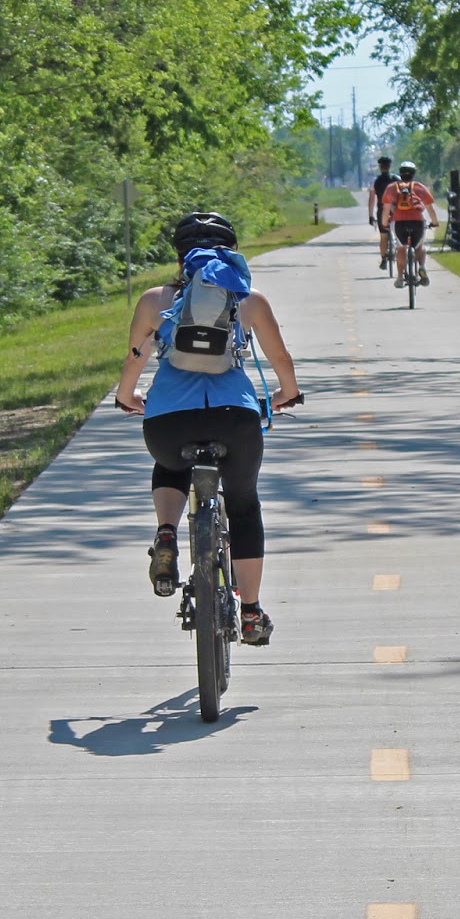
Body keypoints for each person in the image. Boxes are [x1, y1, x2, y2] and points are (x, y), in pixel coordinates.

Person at [114, 211, 301, 646]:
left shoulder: (154, 301)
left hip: (168, 420)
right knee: (243, 503)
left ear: (180, 256)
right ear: (231, 252)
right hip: (235, 419)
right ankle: (251, 613)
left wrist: (127, 397)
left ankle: (166, 532)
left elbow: (134, 359)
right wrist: (286, 394)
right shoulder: (249, 300)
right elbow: (280, 359)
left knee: (170, 464)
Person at [381, 160, 439, 288]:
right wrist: (434, 222)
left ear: (400, 173)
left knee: (401, 248)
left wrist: (384, 224)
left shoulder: (392, 188)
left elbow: (386, 209)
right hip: (417, 221)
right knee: (419, 246)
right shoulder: (419, 187)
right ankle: (421, 267)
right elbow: (430, 208)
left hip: (399, 222)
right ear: (414, 174)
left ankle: (400, 278)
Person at [367, 155, 396, 270]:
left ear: (380, 167)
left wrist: (370, 215)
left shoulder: (375, 181)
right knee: (399, 234)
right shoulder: (396, 179)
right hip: (395, 210)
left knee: (383, 236)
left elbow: (371, 199)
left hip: (382, 210)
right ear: (390, 166)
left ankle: (384, 258)